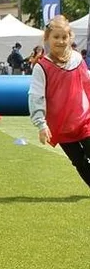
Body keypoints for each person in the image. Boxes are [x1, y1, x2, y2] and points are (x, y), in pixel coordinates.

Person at [29, 15, 90, 188]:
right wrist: (41, 124)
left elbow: (87, 84)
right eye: (56, 37)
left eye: (64, 37)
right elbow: (36, 96)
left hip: (84, 119)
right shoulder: (42, 67)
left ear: (70, 37)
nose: (61, 41)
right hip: (61, 125)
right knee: (79, 161)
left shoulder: (78, 59)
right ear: (47, 38)